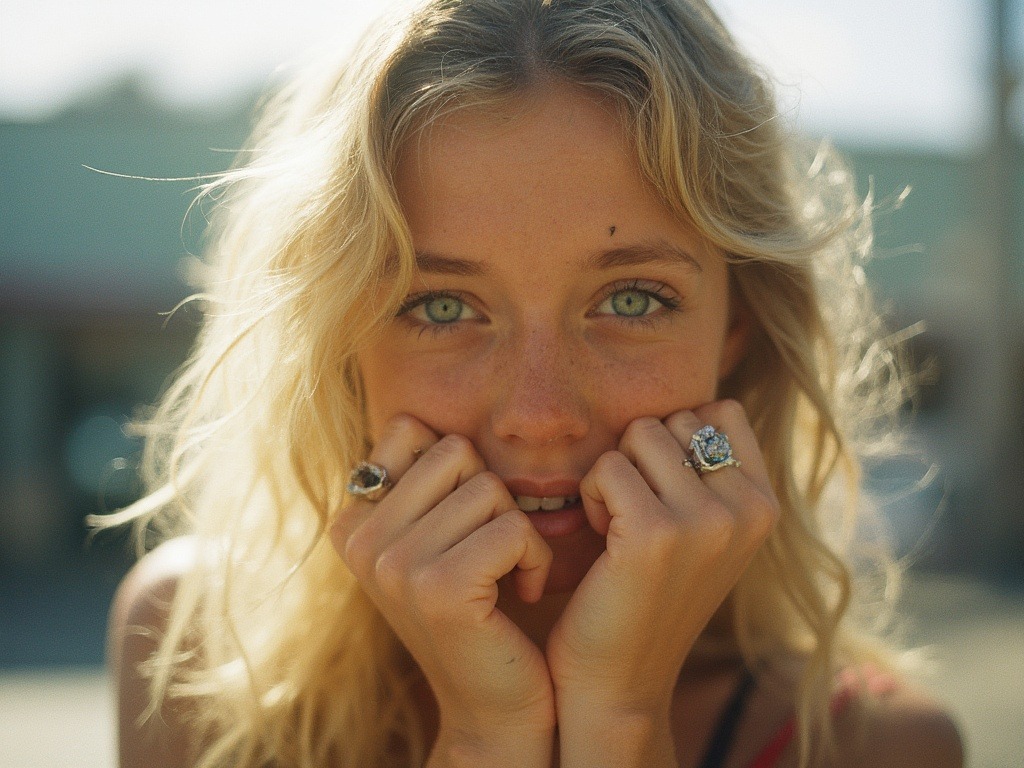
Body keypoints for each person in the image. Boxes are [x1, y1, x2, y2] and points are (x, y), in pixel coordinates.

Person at [100, 1, 965, 766]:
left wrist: (621, 725)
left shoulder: (881, 749)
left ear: (737, 328)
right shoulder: (195, 658)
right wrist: (484, 740)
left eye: (632, 299)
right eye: (440, 307)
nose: (539, 416)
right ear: (339, 343)